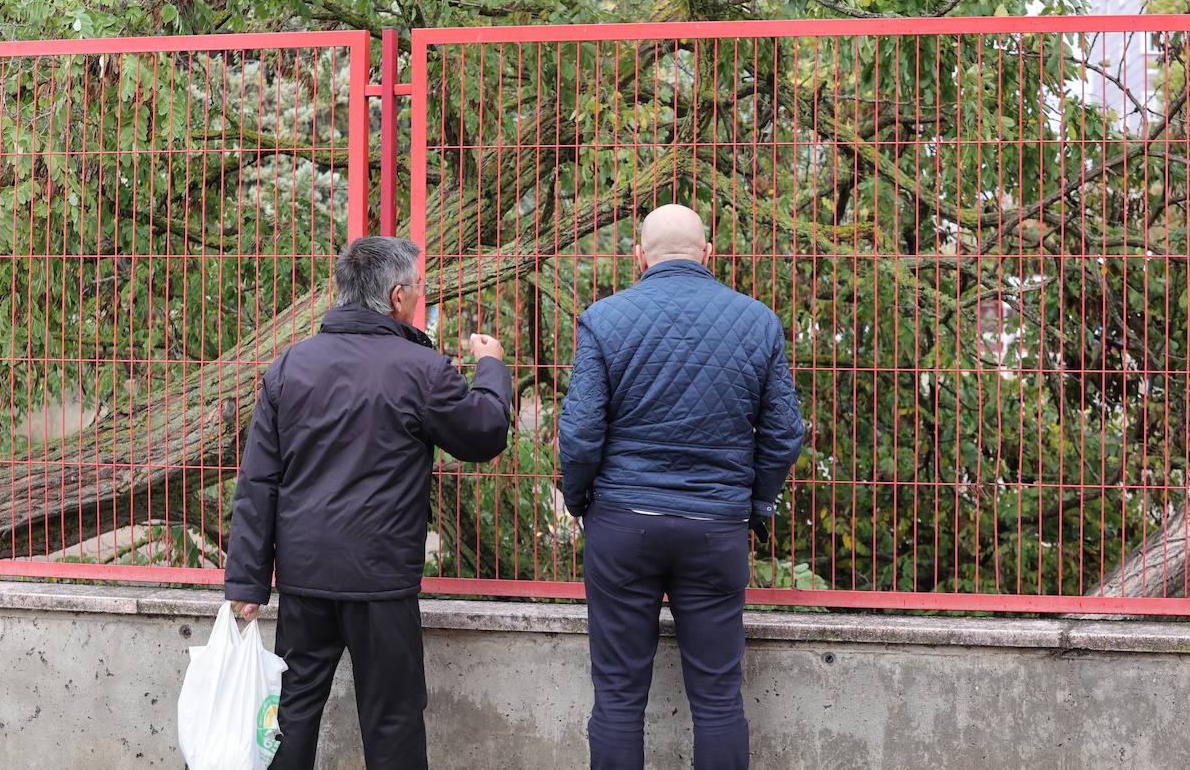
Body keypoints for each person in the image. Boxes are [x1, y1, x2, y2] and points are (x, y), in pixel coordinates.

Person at [225, 236, 512, 770]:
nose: (422, 298)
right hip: (380, 581)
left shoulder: (289, 367)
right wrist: (491, 368)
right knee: (393, 720)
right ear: (398, 296)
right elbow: (486, 434)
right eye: (421, 289)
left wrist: (247, 583)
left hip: (305, 578)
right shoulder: (419, 370)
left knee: (292, 716)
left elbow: (259, 480)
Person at [559, 204, 806, 770]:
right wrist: (757, 504)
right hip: (715, 527)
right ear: (708, 255)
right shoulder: (757, 320)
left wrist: (580, 502)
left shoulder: (604, 318)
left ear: (639, 256)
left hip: (622, 524)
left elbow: (579, 433)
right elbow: (784, 432)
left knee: (618, 699)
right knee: (718, 700)